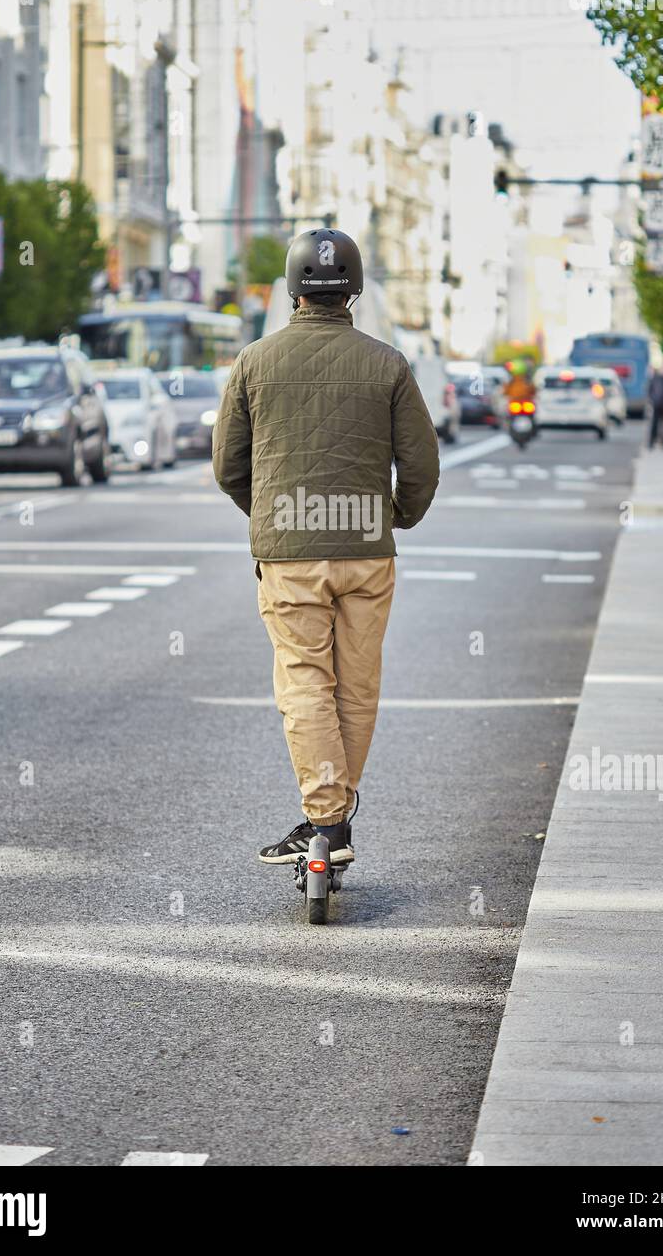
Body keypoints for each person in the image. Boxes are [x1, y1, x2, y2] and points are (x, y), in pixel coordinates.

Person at [212, 227, 440, 865]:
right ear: (355, 290)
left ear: (292, 289)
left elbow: (229, 467)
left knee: (305, 682)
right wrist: (395, 517)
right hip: (368, 548)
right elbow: (420, 465)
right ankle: (332, 821)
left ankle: (325, 820)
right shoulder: (389, 364)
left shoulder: (254, 361)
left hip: (289, 551)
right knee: (358, 685)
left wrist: (272, 517)